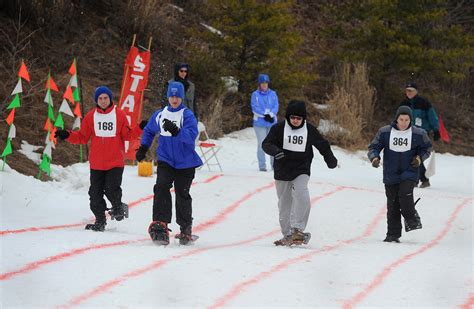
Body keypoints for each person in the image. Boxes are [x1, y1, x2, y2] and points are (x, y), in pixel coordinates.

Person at [55, 86, 146, 231]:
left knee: (111, 189)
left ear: (110, 99)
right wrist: (67, 134)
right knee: (94, 194)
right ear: (96, 100)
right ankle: (100, 220)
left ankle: (117, 207)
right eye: (100, 98)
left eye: (106, 98)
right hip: (97, 164)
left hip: (115, 161)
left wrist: (140, 127)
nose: (103, 101)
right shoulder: (91, 117)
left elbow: (128, 135)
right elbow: (82, 137)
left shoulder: (119, 115)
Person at [262, 100, 338, 246]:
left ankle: (297, 228)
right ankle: (287, 234)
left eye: (299, 118)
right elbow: (266, 144)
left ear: (303, 119)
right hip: (282, 171)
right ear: (288, 117)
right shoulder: (278, 128)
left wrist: (330, 159)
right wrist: (275, 151)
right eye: (292, 118)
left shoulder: (309, 130)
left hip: (301, 169)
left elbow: (322, 145)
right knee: (284, 204)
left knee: (301, 193)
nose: (295, 121)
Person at [136, 81, 203, 245]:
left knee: (182, 193)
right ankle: (160, 223)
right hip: (166, 159)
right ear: (168, 97)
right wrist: (143, 147)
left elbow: (192, 135)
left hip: (185, 163)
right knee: (161, 187)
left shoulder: (187, 115)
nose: (174, 99)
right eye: (172, 96)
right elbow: (150, 130)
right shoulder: (160, 114)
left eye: (177, 96)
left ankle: (185, 228)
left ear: (181, 98)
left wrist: (178, 132)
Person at [368, 106, 432, 243]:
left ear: (411, 120)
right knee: (392, 205)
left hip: (409, 172)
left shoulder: (418, 134)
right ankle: (393, 234)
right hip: (390, 173)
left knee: (404, 195)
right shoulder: (385, 132)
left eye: (407, 120)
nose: (403, 122)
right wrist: (374, 157)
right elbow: (374, 146)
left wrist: (420, 158)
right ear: (396, 119)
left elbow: (427, 148)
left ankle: (412, 218)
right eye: (401, 119)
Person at [399, 82, 439, 188]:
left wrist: (436, 130)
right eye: (407, 90)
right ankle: (419, 179)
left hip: (422, 134)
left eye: (411, 90)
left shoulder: (424, 102)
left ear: (416, 91)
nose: (409, 92)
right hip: (407, 133)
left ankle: (421, 179)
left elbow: (432, 116)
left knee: (416, 156)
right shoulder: (404, 103)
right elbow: (398, 118)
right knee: (410, 156)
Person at [251, 73, 279, 172]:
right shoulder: (255, 94)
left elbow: (276, 106)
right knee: (262, 144)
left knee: (273, 144)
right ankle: (262, 166)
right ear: (259, 84)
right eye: (262, 83)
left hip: (272, 123)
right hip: (259, 124)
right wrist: (264, 115)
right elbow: (254, 108)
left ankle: (274, 165)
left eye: (266, 83)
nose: (264, 85)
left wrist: (271, 114)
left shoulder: (273, 94)